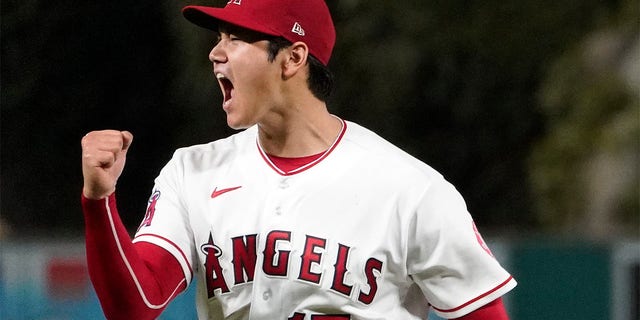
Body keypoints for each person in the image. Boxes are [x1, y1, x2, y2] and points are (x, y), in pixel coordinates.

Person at [80, 0, 517, 319]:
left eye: (237, 37)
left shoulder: (411, 190)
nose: (216, 52)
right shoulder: (191, 172)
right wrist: (99, 202)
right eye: (218, 37)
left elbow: (483, 312)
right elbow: (135, 306)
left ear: (293, 58)